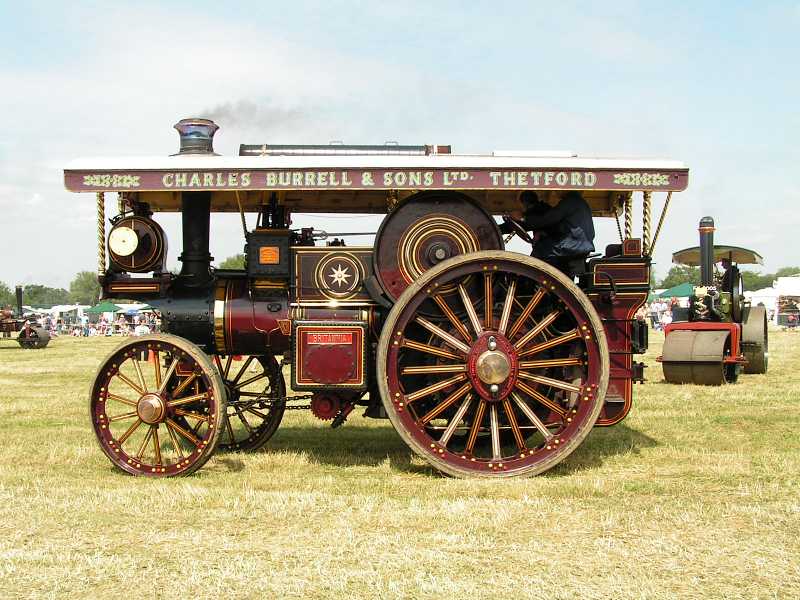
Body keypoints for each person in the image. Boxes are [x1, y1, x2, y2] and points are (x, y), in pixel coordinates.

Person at [501, 190, 595, 273]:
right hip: (578, 244)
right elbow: (553, 225)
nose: (555, 190)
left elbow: (547, 220)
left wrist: (522, 218)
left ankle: (530, 278)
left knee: (541, 249)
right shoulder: (578, 202)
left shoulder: (570, 201)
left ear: (524, 203)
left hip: (572, 246)